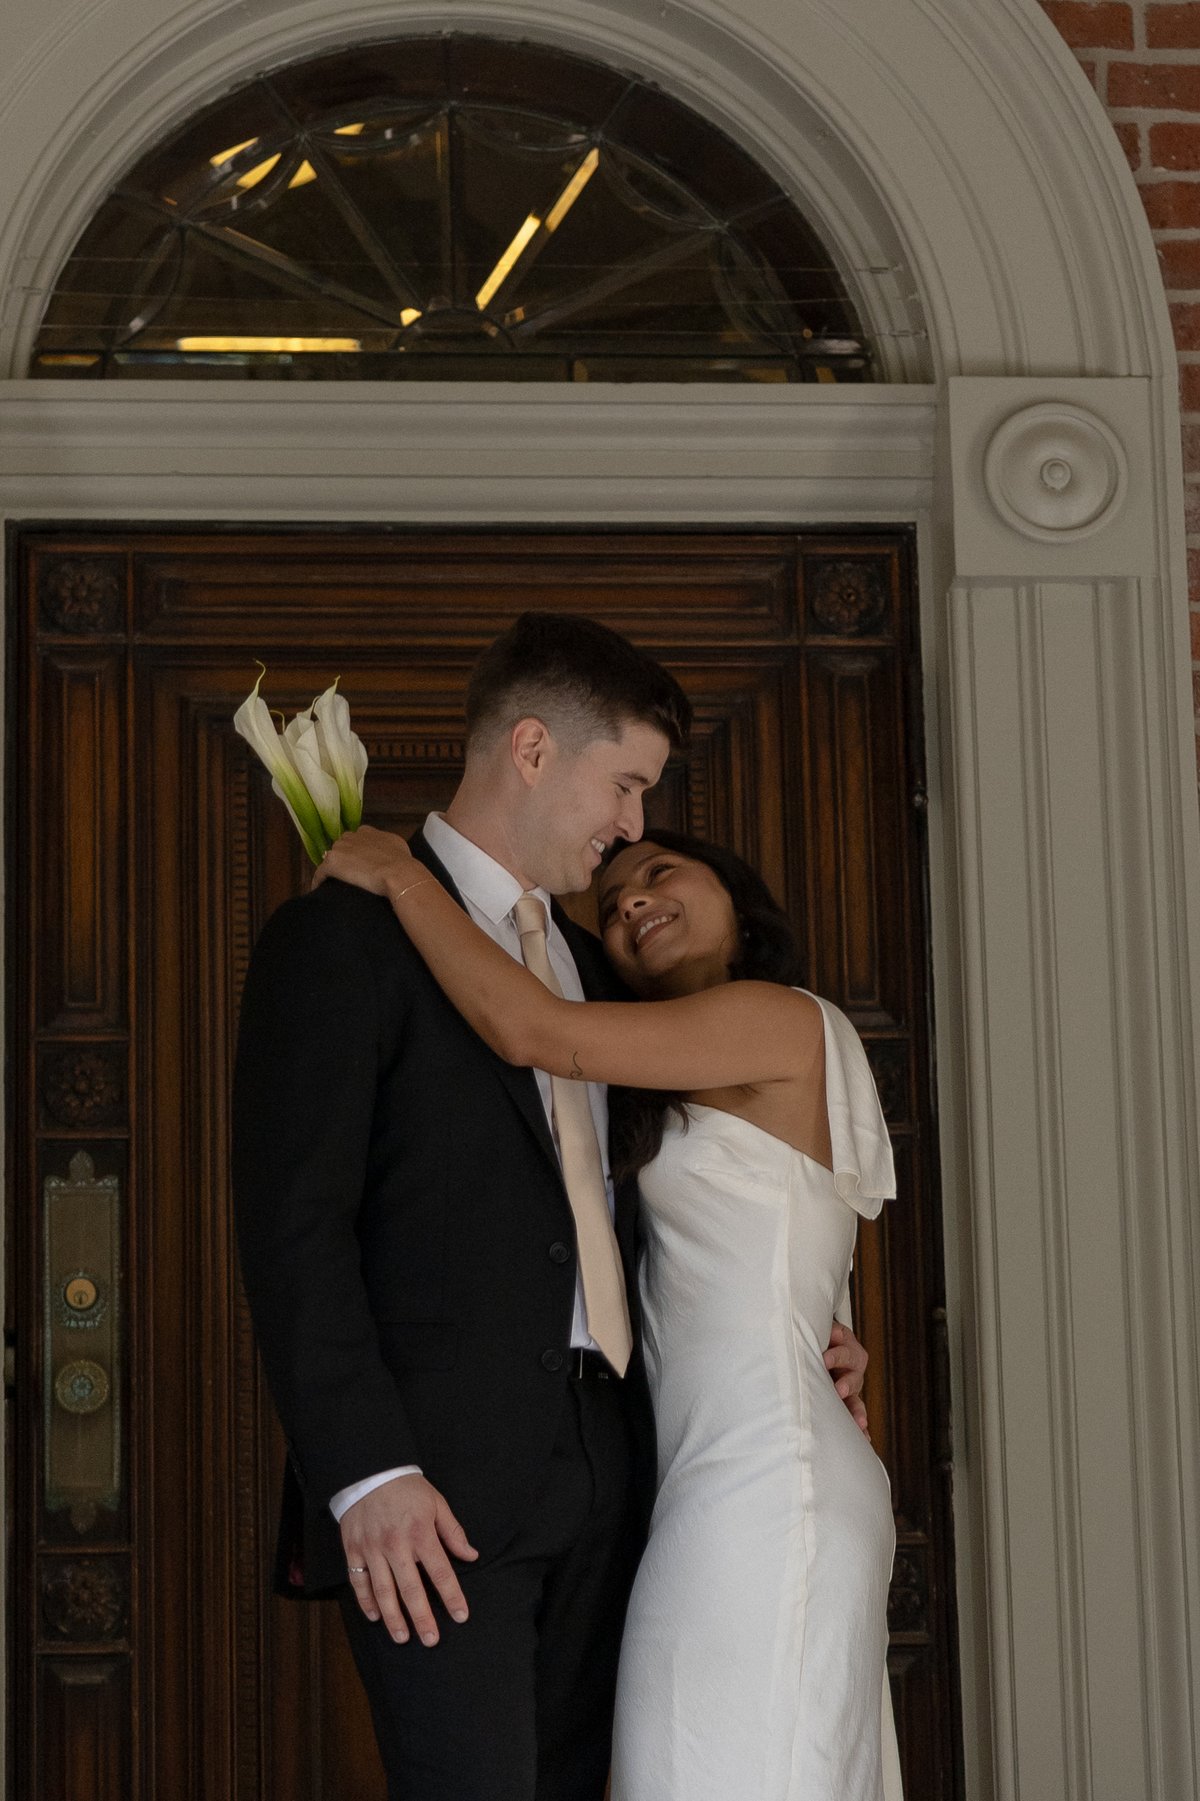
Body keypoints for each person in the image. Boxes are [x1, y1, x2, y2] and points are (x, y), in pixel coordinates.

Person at [232, 612, 872, 1801]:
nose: (633, 824)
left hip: (630, 1483)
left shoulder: (585, 975)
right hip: (440, 1493)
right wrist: (366, 1473)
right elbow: (292, 1227)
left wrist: (805, 1329)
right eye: (625, 783)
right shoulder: (339, 939)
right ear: (534, 750)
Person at [314, 819, 902, 1801]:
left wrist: (406, 881)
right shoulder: (664, 1086)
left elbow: (538, 1029)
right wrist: (830, 1344)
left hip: (768, 1485)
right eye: (615, 898)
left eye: (661, 872)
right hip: (697, 1480)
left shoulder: (777, 1015)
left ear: (741, 909)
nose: (631, 899)